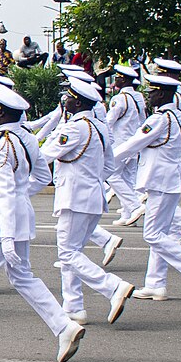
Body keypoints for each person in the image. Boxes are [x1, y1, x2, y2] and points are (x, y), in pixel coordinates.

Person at [0, 84, 86, 362]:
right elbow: (40, 177)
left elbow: (4, 191)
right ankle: (64, 326)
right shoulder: (26, 138)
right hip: (19, 216)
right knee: (23, 277)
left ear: (0, 114)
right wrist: (23, 198)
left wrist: (7, 236)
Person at [39, 75, 135, 324]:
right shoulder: (100, 127)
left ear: (78, 102)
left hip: (75, 197)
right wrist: (91, 179)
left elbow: (44, 157)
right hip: (92, 196)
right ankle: (73, 306)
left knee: (68, 253)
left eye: (69, 96)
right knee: (74, 252)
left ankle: (112, 287)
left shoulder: (74, 128)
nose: (65, 100)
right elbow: (109, 165)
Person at [112, 74, 181, 300]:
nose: (149, 96)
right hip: (169, 181)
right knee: (162, 232)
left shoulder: (158, 120)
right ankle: (155, 284)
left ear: (161, 93)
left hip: (159, 182)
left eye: (152, 92)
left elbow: (131, 145)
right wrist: (176, 168)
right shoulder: (180, 117)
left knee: (152, 234)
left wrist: (104, 161)